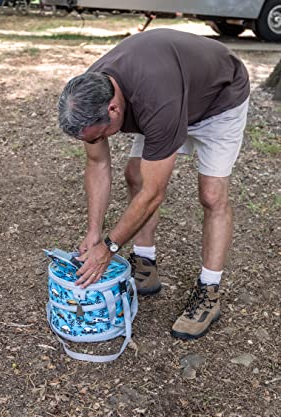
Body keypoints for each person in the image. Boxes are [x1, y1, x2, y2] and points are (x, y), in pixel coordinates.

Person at [58, 28, 250, 340]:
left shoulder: (155, 99)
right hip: (172, 90)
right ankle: (145, 266)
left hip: (218, 98)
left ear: (114, 109)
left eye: (102, 136)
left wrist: (109, 247)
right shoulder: (89, 94)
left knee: (212, 195)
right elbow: (97, 162)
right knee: (135, 173)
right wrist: (94, 232)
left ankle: (209, 292)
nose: (99, 143)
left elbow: (153, 193)